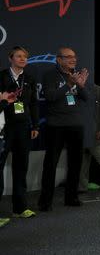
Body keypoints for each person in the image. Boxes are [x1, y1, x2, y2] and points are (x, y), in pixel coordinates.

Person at [38, 47, 90, 211]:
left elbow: (87, 98)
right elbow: (51, 97)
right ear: (59, 59)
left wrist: (80, 85)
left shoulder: (75, 75)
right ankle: (45, 201)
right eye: (68, 57)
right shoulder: (50, 75)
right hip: (56, 126)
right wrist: (68, 84)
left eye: (74, 57)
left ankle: (71, 197)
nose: (73, 60)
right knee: (50, 164)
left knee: (75, 163)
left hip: (75, 125)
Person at [0, 46, 39, 219]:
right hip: (4, 127)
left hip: (23, 127)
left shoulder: (29, 78)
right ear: (11, 58)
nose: (23, 59)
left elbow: (34, 104)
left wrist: (35, 126)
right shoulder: (1, 77)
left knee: (21, 167)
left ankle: (20, 208)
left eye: (25, 57)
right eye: (19, 56)